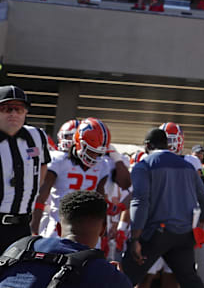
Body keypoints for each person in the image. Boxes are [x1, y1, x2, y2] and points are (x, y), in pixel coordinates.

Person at [121, 128, 204, 287]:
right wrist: (201, 224)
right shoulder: (187, 166)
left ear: (147, 145)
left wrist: (135, 238)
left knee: (124, 277)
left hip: (157, 233)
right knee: (190, 280)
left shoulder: (144, 165)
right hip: (184, 233)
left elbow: (140, 201)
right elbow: (203, 196)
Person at [0, 190, 131, 287]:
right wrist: (118, 277)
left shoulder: (20, 246)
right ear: (103, 230)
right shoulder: (105, 273)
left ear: (58, 228)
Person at [31, 118, 129, 238]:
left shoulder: (102, 164)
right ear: (78, 142)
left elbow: (100, 201)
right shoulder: (59, 161)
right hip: (59, 227)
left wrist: (103, 231)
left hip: (88, 230)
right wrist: (34, 231)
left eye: (98, 153)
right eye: (91, 151)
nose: (94, 156)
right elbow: (40, 198)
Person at [0, 85, 51, 253]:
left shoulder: (36, 136)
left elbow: (43, 165)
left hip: (22, 226)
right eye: (6, 109)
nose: (13, 114)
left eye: (19, 109)